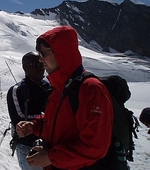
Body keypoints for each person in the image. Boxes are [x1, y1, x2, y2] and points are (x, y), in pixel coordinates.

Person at [16, 26, 114, 170]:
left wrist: (50, 157)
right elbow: (56, 124)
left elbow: (94, 146)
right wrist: (34, 126)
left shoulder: (90, 89)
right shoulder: (60, 87)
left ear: (62, 52)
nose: (41, 60)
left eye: (44, 54)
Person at [7, 51, 52, 170]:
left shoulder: (47, 87)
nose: (41, 68)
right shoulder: (17, 90)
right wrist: (45, 117)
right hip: (27, 146)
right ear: (24, 67)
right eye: (36, 65)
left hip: (48, 146)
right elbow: (20, 119)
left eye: (42, 64)